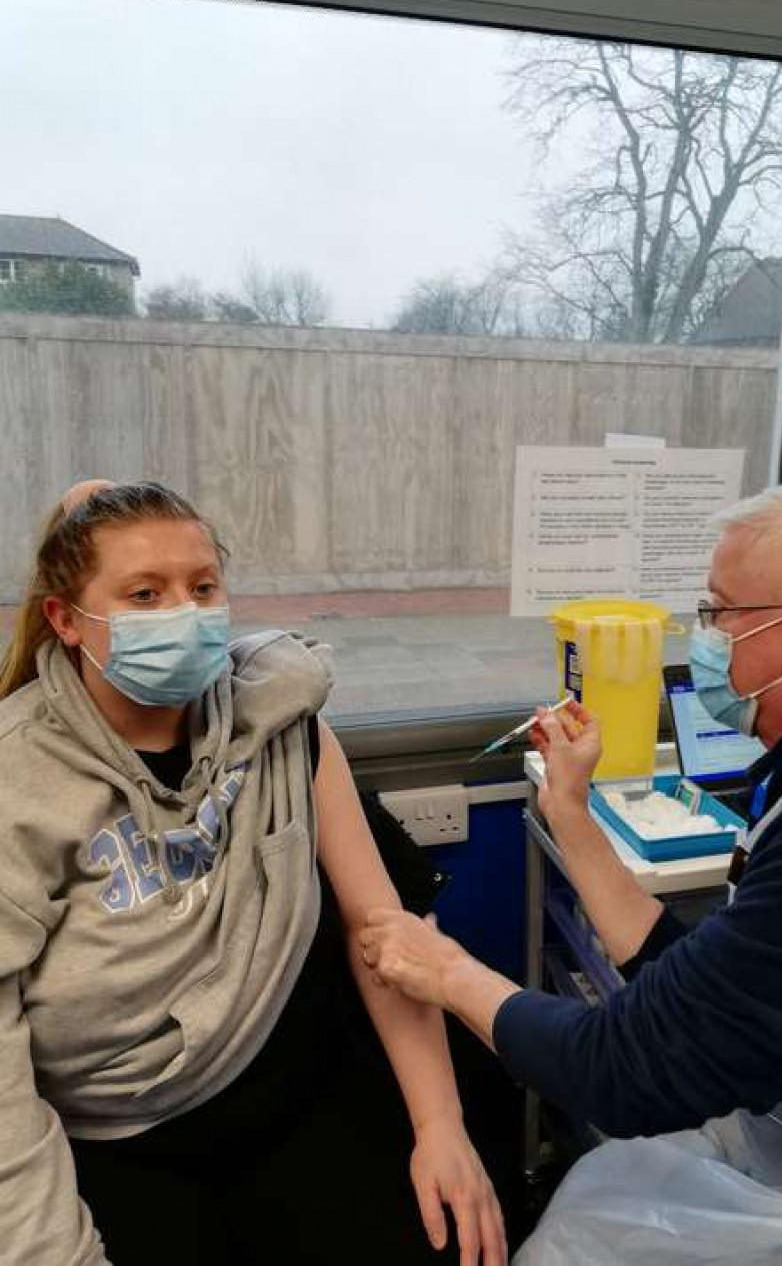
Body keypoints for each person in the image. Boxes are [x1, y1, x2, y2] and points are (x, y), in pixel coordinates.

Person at [362, 477, 782, 1261]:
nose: (703, 636)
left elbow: (616, 1071)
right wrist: (569, 806)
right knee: (601, 1202)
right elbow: (696, 980)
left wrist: (447, 971)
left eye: (719, 612)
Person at [0, 479, 505, 1266]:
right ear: (67, 620)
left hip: (289, 1084)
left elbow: (383, 935)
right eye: (144, 594)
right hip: (122, 1134)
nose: (185, 613)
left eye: (203, 587)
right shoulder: (18, 781)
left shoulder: (284, 728)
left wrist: (442, 1130)